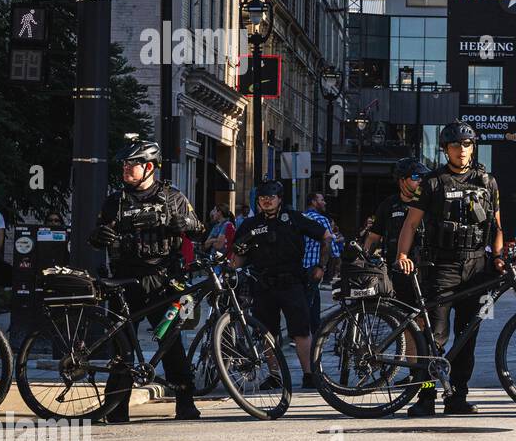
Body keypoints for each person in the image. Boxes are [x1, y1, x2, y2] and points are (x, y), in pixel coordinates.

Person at [89, 140, 207, 422]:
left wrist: (185, 225)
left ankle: (185, 402)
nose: (126, 169)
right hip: (123, 283)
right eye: (124, 165)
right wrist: (98, 236)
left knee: (171, 342)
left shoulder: (174, 197)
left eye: (132, 164)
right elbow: (95, 235)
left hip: (162, 283)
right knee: (121, 346)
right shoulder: (114, 201)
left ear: (149, 167)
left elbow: (199, 231)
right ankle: (116, 409)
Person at [396, 121, 505, 416]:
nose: (462, 150)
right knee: (435, 338)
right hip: (440, 267)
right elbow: (411, 223)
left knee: (467, 338)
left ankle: (457, 397)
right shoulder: (432, 183)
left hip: (477, 269)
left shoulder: (487, 182)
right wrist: (402, 254)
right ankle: (426, 398)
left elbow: (496, 226)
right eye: (456, 145)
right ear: (445, 150)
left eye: (467, 145)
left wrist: (498, 256)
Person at [229, 179, 333, 391]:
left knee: (301, 331)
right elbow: (238, 254)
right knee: (267, 332)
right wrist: (230, 274)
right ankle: (275, 375)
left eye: (271, 197)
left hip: (292, 282)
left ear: (280, 199)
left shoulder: (294, 218)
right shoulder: (251, 225)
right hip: (262, 283)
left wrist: (321, 266)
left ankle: (309, 374)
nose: (267, 201)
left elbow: (326, 237)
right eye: (262, 198)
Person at [364, 158, 435, 410]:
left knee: (429, 328)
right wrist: (365, 259)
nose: (420, 182)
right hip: (399, 276)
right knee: (407, 326)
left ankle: (426, 381)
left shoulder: (429, 203)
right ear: (402, 180)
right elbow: (373, 238)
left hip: (426, 273)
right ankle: (417, 373)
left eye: (422, 178)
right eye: (416, 177)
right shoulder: (389, 205)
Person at [302, 192, 339, 338]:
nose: (324, 203)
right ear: (313, 202)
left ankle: (315, 328)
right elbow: (330, 244)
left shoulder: (301, 217)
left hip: (301, 265)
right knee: (309, 299)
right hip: (314, 265)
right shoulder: (321, 219)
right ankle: (302, 332)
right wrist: (323, 266)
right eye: (321, 199)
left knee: (313, 298)